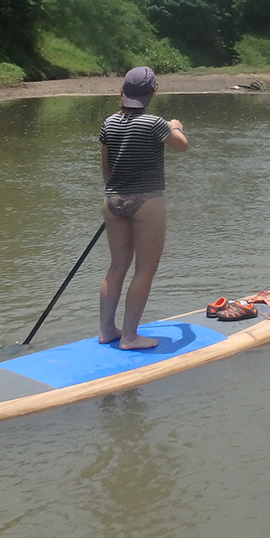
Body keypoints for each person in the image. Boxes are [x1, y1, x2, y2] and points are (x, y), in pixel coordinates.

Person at [98, 67, 188, 350]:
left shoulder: (109, 122)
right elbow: (181, 146)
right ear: (153, 92)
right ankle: (130, 336)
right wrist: (175, 126)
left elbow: (106, 168)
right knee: (145, 269)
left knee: (117, 266)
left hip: (113, 199)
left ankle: (106, 331)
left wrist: (118, 196)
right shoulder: (155, 123)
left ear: (123, 92)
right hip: (146, 201)